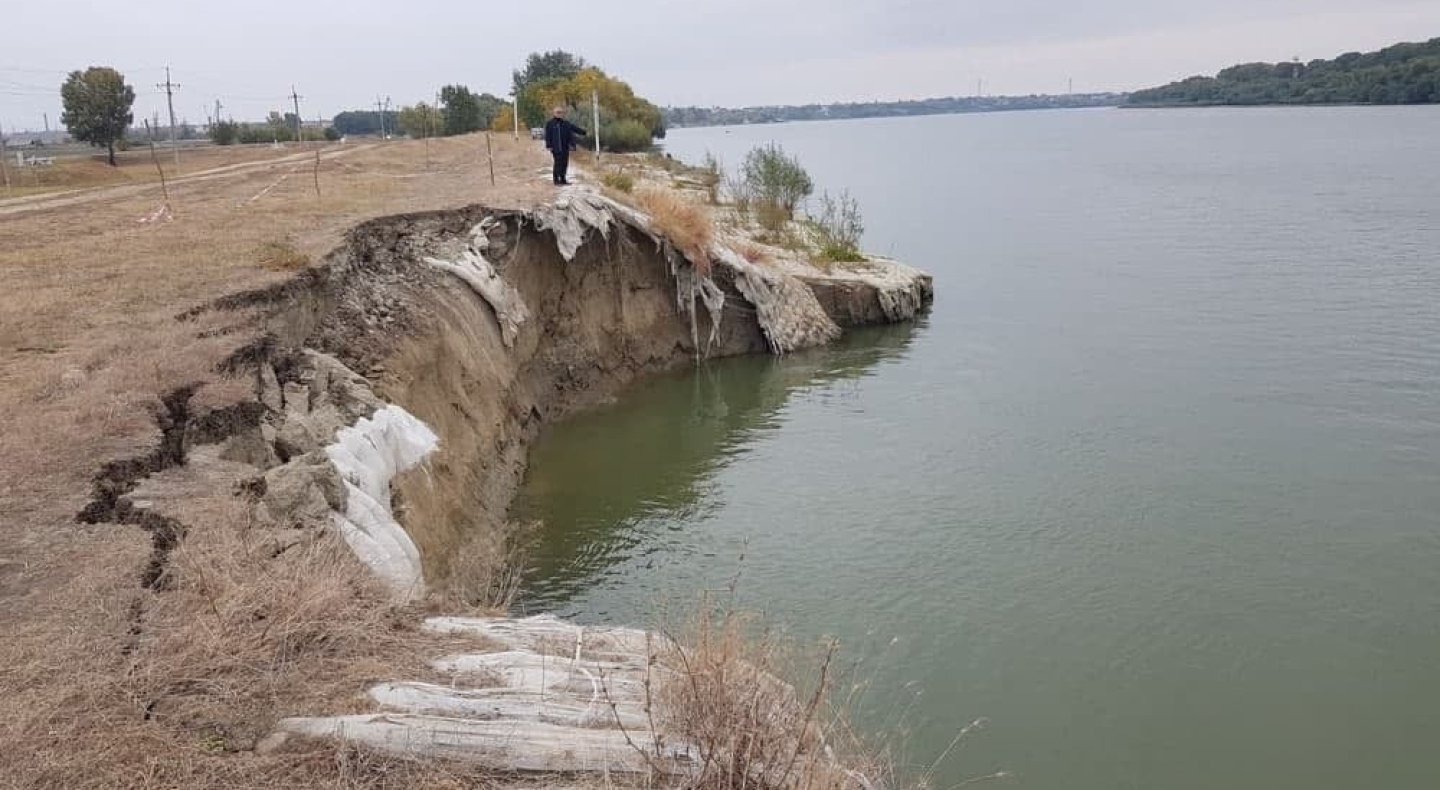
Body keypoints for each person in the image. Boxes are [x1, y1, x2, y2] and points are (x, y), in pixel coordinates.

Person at [543, 106, 587, 186]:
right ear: (554, 113)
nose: (559, 114)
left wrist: (584, 132)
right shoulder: (550, 123)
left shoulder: (566, 123)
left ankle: (563, 180)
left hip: (565, 147)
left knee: (564, 163)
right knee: (557, 163)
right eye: (557, 112)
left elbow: (575, 128)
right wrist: (548, 145)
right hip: (555, 147)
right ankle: (556, 181)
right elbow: (547, 135)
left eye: (560, 112)